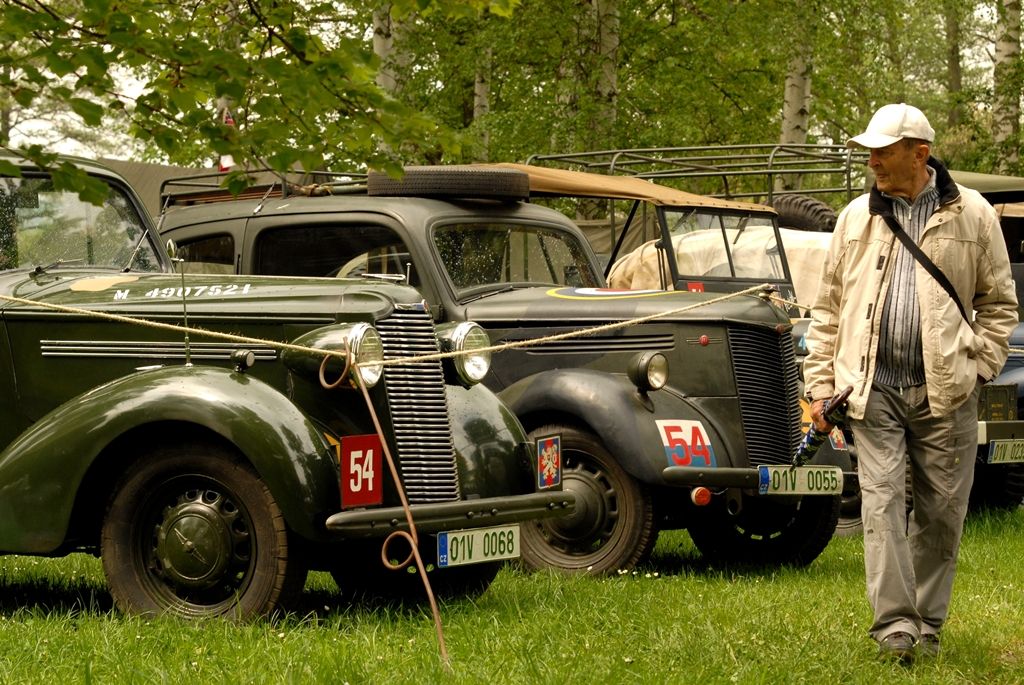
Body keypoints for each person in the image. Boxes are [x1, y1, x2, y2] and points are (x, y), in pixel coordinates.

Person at [803, 103, 1018, 664]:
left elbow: (998, 305)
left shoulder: (973, 215)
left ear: (919, 153)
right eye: (869, 151)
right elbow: (828, 310)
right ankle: (895, 627)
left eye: (883, 151)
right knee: (879, 507)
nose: (872, 161)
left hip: (947, 391)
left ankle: (927, 622)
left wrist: (981, 366)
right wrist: (821, 383)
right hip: (870, 390)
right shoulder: (854, 217)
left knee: (943, 513)